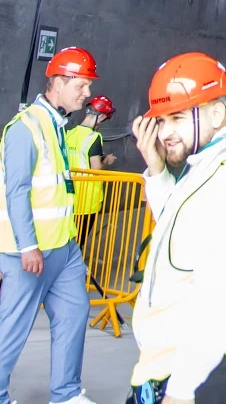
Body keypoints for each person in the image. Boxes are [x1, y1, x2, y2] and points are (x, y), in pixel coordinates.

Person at [128, 51, 226, 404]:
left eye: (178, 118)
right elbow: (183, 232)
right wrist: (156, 170)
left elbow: (216, 296)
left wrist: (181, 392)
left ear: (215, 112)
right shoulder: (213, 161)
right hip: (177, 354)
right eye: (161, 121)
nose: (166, 133)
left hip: (208, 362)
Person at [0, 47, 100, 404]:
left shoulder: (57, 126)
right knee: (12, 327)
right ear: (58, 82)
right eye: (82, 86)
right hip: (29, 252)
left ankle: (67, 394)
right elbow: (17, 191)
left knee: (75, 312)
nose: (87, 94)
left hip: (64, 248)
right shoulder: (25, 128)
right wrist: (28, 245)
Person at [68, 93, 118, 245]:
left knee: (68, 239)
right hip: (87, 200)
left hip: (70, 197)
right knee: (79, 242)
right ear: (101, 117)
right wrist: (107, 161)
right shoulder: (93, 137)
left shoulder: (70, 133)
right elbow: (96, 167)